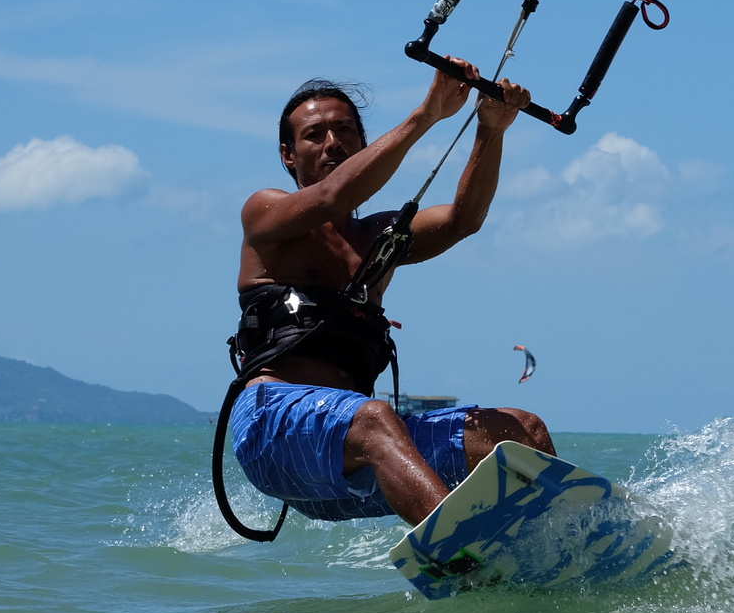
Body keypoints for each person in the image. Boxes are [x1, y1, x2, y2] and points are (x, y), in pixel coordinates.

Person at [224, 59, 554, 529]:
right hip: (274, 434)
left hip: (353, 466)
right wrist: (427, 115)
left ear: (363, 143)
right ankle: (457, 553)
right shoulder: (265, 211)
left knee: (523, 432)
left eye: (344, 131)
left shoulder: (378, 239)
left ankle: (547, 549)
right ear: (288, 155)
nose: (332, 142)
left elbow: (463, 220)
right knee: (375, 418)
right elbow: (330, 197)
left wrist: (490, 129)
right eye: (314, 135)